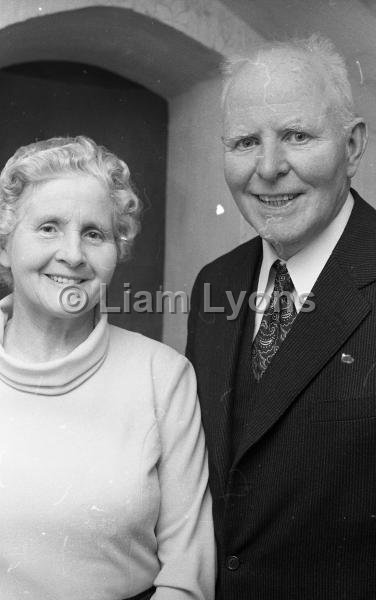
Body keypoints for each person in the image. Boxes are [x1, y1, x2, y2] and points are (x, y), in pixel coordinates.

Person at [186, 34, 376, 599]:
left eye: (296, 135)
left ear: (353, 145)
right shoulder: (214, 284)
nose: (268, 168)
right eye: (245, 142)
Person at [0, 135, 215, 600]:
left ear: (117, 251)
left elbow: (187, 576)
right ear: (3, 247)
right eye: (49, 228)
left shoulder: (164, 376)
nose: (73, 255)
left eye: (94, 233)